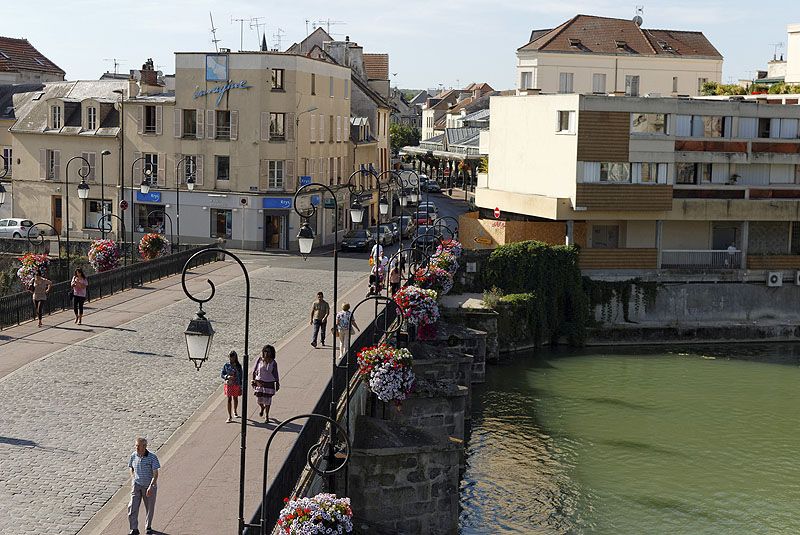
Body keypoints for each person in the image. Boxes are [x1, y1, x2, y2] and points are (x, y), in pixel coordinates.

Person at [127, 436, 160, 535]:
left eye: (138, 446)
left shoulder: (152, 457)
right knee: (132, 507)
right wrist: (133, 478)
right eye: (136, 445)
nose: (136, 447)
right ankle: (134, 529)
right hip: (137, 485)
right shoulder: (134, 455)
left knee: (149, 507)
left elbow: (155, 474)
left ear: (144, 446)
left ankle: (148, 527)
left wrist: (151, 486)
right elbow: (131, 467)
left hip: (148, 486)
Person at [252, 344, 279, 422]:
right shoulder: (260, 360)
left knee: (268, 400)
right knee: (259, 400)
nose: (266, 353)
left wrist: (277, 382)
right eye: (265, 351)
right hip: (259, 382)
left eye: (268, 351)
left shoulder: (273, 362)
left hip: (269, 383)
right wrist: (253, 380)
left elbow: (275, 373)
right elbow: (255, 370)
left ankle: (267, 415)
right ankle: (262, 407)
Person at [220, 350, 243, 423]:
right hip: (229, 384)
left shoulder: (238, 366)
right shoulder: (226, 365)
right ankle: (229, 416)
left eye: (233, 357)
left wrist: (241, 385)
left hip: (236, 384)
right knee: (229, 399)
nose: (231, 359)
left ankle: (235, 411)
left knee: (235, 398)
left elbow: (241, 376)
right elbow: (222, 374)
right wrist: (227, 376)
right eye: (230, 357)